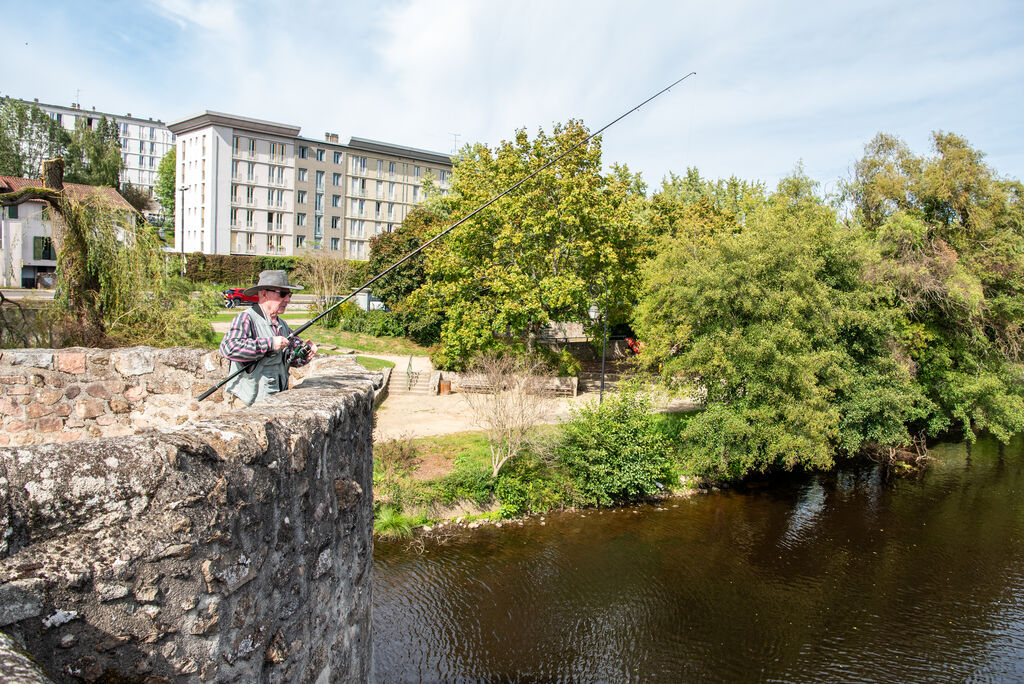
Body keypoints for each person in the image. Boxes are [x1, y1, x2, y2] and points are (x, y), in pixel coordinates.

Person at [220, 270, 319, 406]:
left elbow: (292, 360)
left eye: (289, 294)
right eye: (282, 294)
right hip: (247, 403)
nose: (288, 300)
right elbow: (229, 348)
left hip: (275, 401)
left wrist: (306, 353)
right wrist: (269, 343)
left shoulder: (282, 325)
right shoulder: (246, 318)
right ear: (264, 294)